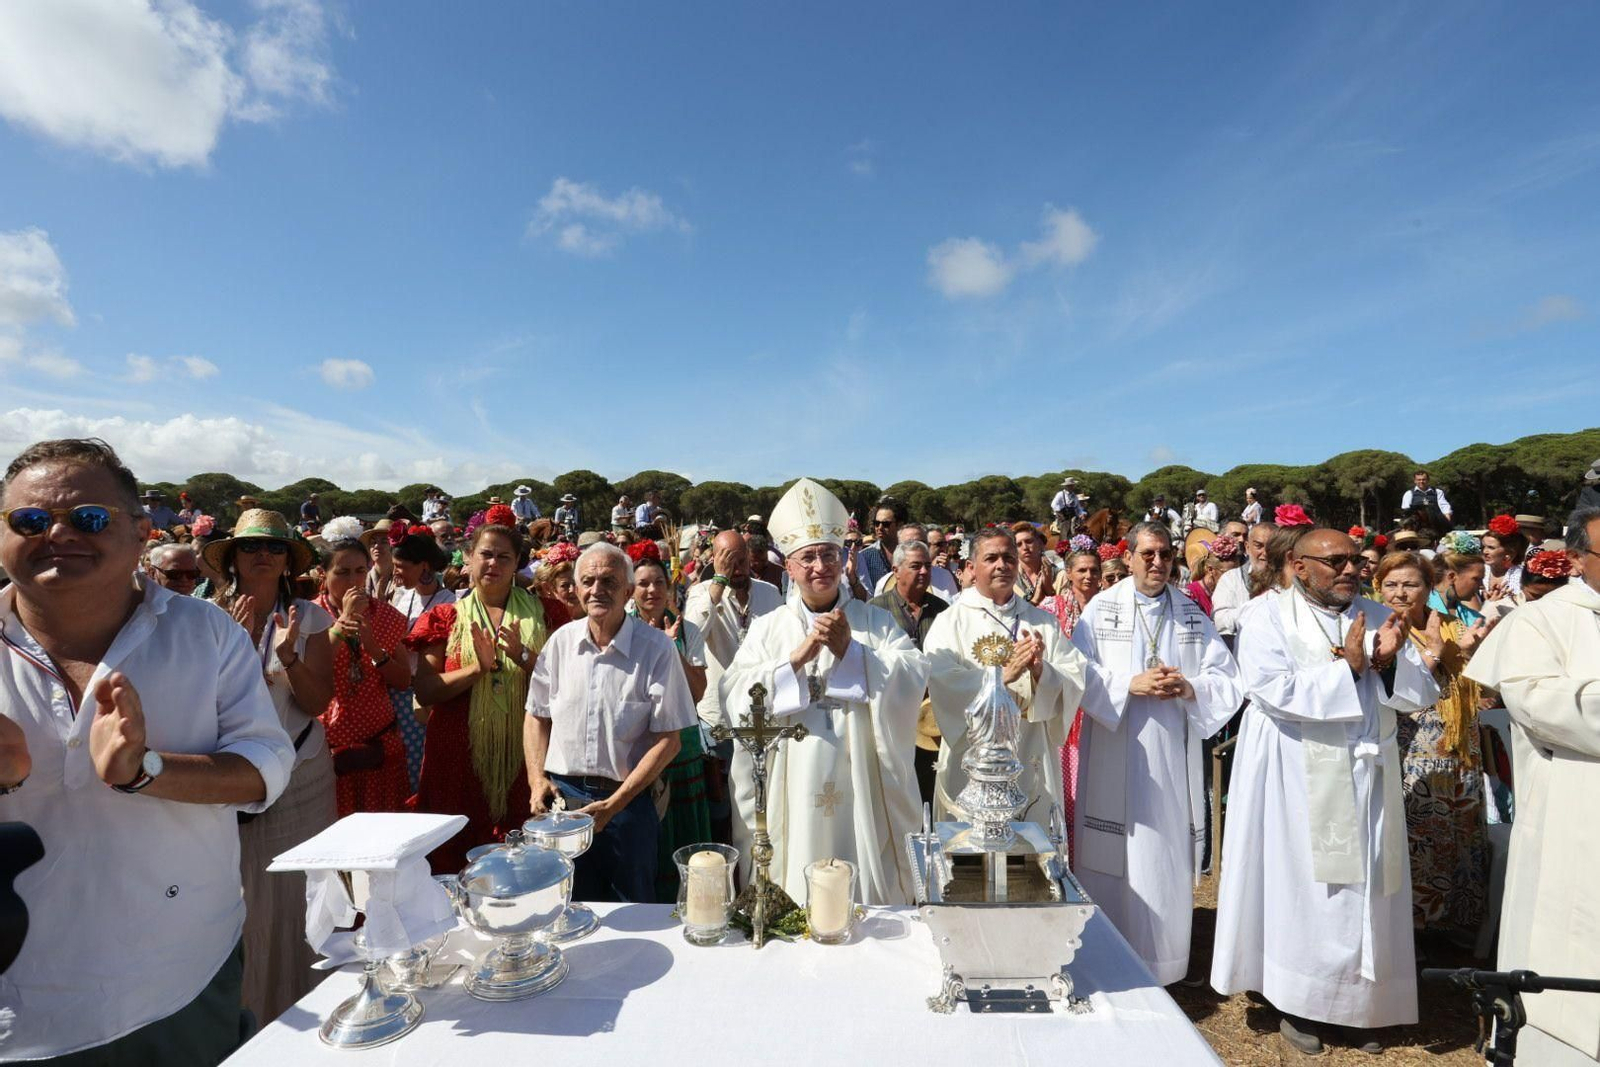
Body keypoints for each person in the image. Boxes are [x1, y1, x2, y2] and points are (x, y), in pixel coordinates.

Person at [0, 439, 294, 1064]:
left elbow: (264, 769)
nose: (58, 533)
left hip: (179, 979)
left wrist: (145, 770)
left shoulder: (206, 631)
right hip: (21, 1004)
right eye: (29, 520)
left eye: (88, 518)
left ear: (140, 532)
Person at [1211, 527, 1439, 1055]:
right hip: (1299, 773)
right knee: (1311, 892)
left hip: (1369, 774)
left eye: (1354, 560)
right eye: (1335, 561)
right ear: (1298, 564)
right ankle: (1299, 1003)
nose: (1350, 569)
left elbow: (1419, 694)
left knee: (1368, 890)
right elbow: (1270, 690)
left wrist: (1387, 664)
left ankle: (1360, 1006)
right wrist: (1349, 668)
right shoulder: (1265, 616)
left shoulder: (1378, 614)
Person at [719, 479, 929, 905]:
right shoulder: (769, 628)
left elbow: (912, 675)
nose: (820, 566)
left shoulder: (873, 621)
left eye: (829, 554)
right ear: (789, 566)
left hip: (860, 775)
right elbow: (733, 693)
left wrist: (853, 652)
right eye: (808, 557)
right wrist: (795, 660)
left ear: (842, 560)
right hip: (790, 777)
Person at [1070, 521, 1242, 985]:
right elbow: (1075, 671)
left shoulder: (1190, 613)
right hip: (1113, 747)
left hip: (1168, 756)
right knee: (1112, 858)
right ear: (1128, 557)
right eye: (1147, 553)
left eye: (1165, 554)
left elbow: (1227, 678)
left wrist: (1189, 687)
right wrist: (1129, 684)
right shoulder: (1100, 609)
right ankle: (1105, 959)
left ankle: (1162, 963)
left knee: (1162, 855)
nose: (1157, 562)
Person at [1463, 506, 1600, 1065]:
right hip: (1575, 806)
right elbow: (1538, 705)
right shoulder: (1541, 621)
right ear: (1576, 558)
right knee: (1567, 937)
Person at [203, 508, 337, 1027]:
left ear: (287, 561)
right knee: (241, 901)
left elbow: (318, 702)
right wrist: (235, 651)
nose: (263, 554)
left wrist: (290, 658)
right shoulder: (205, 617)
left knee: (300, 897)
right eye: (251, 546)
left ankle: (307, 1009)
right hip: (231, 778)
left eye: (275, 547)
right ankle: (244, 1019)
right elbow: (194, 705)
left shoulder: (309, 617)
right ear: (232, 557)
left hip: (302, 774)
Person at [525, 543, 697, 902]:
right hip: (564, 802)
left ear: (628, 591)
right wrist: (536, 778)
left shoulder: (657, 649)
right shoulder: (560, 644)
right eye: (588, 581)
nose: (596, 590)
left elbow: (670, 740)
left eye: (609, 581)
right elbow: (536, 715)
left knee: (632, 909)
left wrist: (614, 805)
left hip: (628, 804)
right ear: (576, 588)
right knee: (568, 905)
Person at [407, 522, 568, 872]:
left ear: (517, 563)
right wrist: (476, 670)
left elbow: (566, 685)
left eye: (504, 557)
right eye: (486, 554)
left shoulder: (547, 613)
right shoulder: (444, 617)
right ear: (469, 558)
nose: (493, 563)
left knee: (523, 864)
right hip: (456, 762)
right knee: (454, 861)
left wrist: (523, 656)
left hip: (525, 758)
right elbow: (425, 689)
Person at [925, 526, 1088, 828]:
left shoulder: (1042, 621)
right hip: (973, 756)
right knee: (972, 845)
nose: (1002, 565)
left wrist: (1041, 671)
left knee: (1032, 842)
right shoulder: (950, 621)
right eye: (991, 558)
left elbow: (1075, 675)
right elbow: (941, 679)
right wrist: (1000, 677)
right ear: (971, 567)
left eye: (1009, 558)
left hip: (1030, 748)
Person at [1372, 551, 1491, 938]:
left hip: (1459, 743)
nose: (1400, 593)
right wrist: (1435, 652)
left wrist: (1468, 650)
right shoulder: (1381, 628)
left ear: (1428, 587)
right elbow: (1399, 690)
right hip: (1412, 745)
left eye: (1411, 584)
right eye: (1391, 584)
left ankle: (1457, 920)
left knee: (1461, 826)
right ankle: (1415, 925)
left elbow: (1474, 684)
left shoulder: (1451, 623)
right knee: (1419, 830)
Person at [681, 529, 783, 837]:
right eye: (728, 562)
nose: (737, 569)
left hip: (762, 715)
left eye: (741, 561)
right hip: (720, 717)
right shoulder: (701, 593)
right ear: (714, 560)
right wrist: (719, 581)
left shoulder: (769, 593)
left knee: (763, 798)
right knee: (722, 806)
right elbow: (693, 635)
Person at [627, 551, 714, 901]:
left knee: (685, 832)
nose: (652, 590)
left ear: (671, 588)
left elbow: (697, 692)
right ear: (631, 590)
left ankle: (693, 902)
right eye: (643, 584)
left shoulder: (687, 631)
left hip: (683, 742)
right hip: (641, 745)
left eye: (659, 583)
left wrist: (669, 647)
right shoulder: (625, 630)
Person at [316, 538, 413, 817]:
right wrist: (342, 622)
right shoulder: (310, 615)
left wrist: (373, 648)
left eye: (360, 571)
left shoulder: (386, 615)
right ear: (324, 574)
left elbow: (403, 680)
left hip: (378, 744)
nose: (353, 581)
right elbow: (310, 669)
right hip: (326, 747)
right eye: (342, 572)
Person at [870, 539, 948, 805]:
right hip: (891, 715)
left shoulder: (943, 610)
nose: (924, 571)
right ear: (896, 570)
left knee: (932, 786)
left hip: (932, 719)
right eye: (916, 566)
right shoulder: (875, 611)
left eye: (927, 566)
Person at [388, 532, 454, 791]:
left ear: (424, 566)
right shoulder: (402, 596)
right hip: (397, 692)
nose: (396, 572)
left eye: (401, 566)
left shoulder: (450, 602)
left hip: (426, 697)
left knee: (420, 764)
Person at [850, 500, 900, 601]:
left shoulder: (911, 556)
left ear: (900, 525)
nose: (879, 528)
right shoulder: (863, 557)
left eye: (886, 524)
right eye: (876, 523)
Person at [1011, 522, 1059, 605]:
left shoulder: (1060, 576)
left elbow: (1066, 608)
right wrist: (1035, 600)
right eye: (1019, 544)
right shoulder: (1010, 580)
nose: (1025, 547)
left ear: (1040, 543)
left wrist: (1049, 590)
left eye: (1029, 541)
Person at [1481, 515, 1527, 598]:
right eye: (1483, 547)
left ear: (1509, 553)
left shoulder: (1521, 576)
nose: (1485, 552)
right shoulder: (1480, 571)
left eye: (1491, 548)